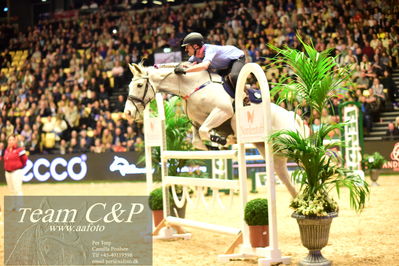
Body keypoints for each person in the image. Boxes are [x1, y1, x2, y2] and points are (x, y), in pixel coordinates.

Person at [175, 32, 245, 98]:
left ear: (195, 46)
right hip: (224, 65)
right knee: (215, 80)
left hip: (237, 58)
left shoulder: (210, 49)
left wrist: (185, 70)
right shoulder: (194, 57)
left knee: (234, 76)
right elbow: (186, 64)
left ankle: (244, 96)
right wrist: (179, 67)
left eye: (187, 47)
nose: (185, 50)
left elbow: (204, 66)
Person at [3, 134, 28, 211]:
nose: (11, 141)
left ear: (15, 141)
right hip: (8, 172)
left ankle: (19, 206)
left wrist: (19, 167)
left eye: (12, 140)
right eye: (9, 140)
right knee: (11, 190)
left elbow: (25, 159)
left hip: (16, 171)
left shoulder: (20, 150)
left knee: (17, 189)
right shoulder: (6, 150)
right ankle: (13, 205)